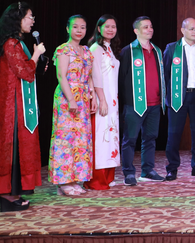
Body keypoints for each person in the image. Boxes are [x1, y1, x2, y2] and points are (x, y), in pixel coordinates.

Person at [0, 2, 46, 212]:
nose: (32, 21)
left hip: (19, 103)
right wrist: (36, 54)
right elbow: (24, 72)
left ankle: (14, 192)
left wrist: (39, 63)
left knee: (19, 148)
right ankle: (7, 196)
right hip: (12, 106)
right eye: (29, 17)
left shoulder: (18, 43)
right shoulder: (11, 44)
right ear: (18, 19)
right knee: (12, 148)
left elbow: (27, 71)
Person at [118, 16, 166, 185]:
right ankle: (129, 173)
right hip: (135, 104)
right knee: (130, 139)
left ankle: (148, 171)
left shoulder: (157, 50)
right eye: (145, 27)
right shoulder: (128, 51)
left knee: (150, 138)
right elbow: (121, 79)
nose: (150, 29)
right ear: (136, 31)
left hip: (155, 104)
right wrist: (127, 102)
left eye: (151, 26)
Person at [162, 18, 195, 181]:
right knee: (174, 134)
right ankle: (172, 168)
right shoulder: (171, 48)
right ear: (183, 30)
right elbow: (165, 74)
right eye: (192, 29)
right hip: (177, 96)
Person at [49, 15, 94, 195]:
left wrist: (92, 97)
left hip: (83, 97)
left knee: (81, 139)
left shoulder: (86, 51)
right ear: (68, 29)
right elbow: (61, 76)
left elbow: (89, 76)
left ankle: (76, 179)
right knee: (65, 138)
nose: (79, 30)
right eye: (75, 27)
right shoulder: (63, 49)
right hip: (67, 97)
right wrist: (71, 99)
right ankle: (63, 182)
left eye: (83, 27)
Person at [84, 15, 121, 191]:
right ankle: (97, 179)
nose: (111, 30)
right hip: (102, 99)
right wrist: (102, 100)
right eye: (107, 26)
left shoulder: (109, 48)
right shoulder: (95, 48)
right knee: (101, 137)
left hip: (113, 99)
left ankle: (108, 176)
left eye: (113, 27)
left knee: (111, 137)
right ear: (99, 28)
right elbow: (95, 75)